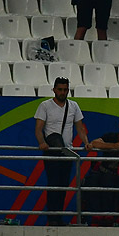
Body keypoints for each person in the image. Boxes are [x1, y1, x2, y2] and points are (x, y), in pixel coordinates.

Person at [34, 78, 90, 226]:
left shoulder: (74, 106)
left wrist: (86, 142)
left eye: (65, 90)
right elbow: (38, 129)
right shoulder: (45, 105)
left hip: (67, 152)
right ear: (54, 90)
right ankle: (52, 218)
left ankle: (58, 218)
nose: (62, 92)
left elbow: (80, 127)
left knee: (63, 185)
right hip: (52, 151)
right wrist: (42, 143)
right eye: (59, 89)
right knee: (53, 184)